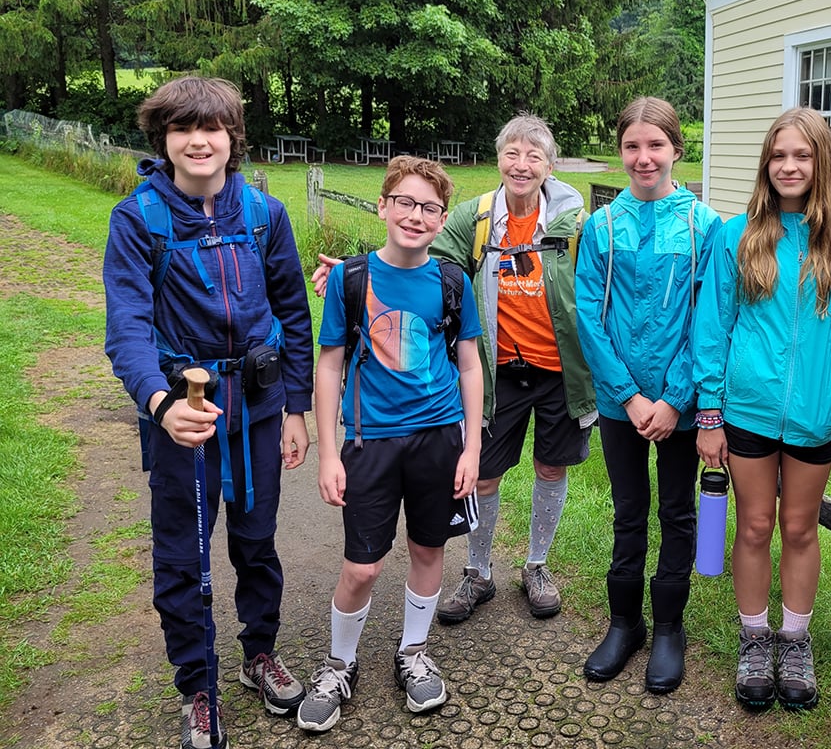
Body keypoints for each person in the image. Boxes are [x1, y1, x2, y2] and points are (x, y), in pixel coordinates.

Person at [313, 114, 595, 623]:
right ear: (498, 159)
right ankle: (478, 572)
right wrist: (354, 268)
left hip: (559, 370)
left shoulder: (574, 220)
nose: (522, 164)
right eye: (512, 152)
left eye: (534, 156)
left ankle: (536, 565)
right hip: (497, 369)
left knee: (551, 467)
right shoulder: (475, 216)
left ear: (550, 166)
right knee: (482, 474)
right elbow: (417, 251)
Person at [103, 76, 312, 749]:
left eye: (213, 128)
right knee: (182, 557)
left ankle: (258, 655)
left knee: (256, 543)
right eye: (183, 129)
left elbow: (293, 313)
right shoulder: (138, 220)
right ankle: (198, 687)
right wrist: (160, 403)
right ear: (163, 140)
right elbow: (127, 329)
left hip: (256, 409)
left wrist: (297, 408)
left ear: (232, 138)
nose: (199, 140)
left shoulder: (263, 214)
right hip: (182, 416)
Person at [692, 108, 831, 711]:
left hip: (814, 417)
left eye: (801, 155)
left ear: (821, 161)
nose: (789, 166)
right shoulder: (738, 233)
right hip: (745, 413)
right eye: (779, 156)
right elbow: (714, 324)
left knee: (800, 528)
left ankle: (794, 642)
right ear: (766, 164)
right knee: (753, 526)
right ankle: (754, 638)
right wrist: (710, 411)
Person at [295, 155, 483, 734]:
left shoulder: (453, 281)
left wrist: (472, 448)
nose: (415, 215)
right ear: (382, 206)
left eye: (429, 207)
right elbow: (328, 367)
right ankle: (339, 663)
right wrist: (329, 452)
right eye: (404, 201)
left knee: (430, 551)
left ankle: (413, 652)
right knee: (363, 566)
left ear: (442, 218)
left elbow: (470, 365)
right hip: (370, 443)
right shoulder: (352, 281)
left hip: (440, 440)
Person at [575, 96, 723, 694]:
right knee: (629, 510)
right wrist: (630, 397)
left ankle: (668, 627)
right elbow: (589, 312)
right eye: (632, 146)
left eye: (655, 145)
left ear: (677, 150)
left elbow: (709, 320)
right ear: (620, 152)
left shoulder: (705, 227)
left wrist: (673, 399)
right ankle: (624, 622)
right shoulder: (602, 226)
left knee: (678, 512)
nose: (643, 157)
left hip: (680, 408)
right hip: (621, 404)